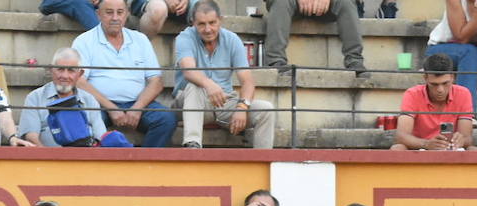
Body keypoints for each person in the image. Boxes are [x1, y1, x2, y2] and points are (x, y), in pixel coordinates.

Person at [72, 0, 177, 148]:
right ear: (98, 14)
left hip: (137, 103)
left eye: (120, 12)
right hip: (99, 105)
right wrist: (112, 108)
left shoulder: (140, 40)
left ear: (127, 14)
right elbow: (79, 81)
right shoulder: (84, 41)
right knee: (83, 120)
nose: (115, 17)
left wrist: (137, 108)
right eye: (109, 12)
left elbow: (156, 81)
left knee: (167, 119)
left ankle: (145, 165)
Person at [173, 0, 275, 149]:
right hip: (189, 102)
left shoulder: (232, 39)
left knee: (266, 109)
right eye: (201, 24)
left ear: (221, 20)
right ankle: (192, 146)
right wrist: (209, 84)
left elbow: (247, 81)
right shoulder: (185, 37)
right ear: (193, 23)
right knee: (194, 87)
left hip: (225, 102)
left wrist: (242, 107)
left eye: (212, 23)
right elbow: (189, 72)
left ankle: (263, 162)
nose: (208, 29)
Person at [18, 48, 109, 147]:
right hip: (47, 159)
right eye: (60, 69)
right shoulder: (35, 98)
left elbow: (101, 138)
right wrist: (52, 160)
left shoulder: (89, 100)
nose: (65, 76)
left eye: (71, 71)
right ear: (51, 70)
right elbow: (31, 138)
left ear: (80, 74)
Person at [425, 0, 477, 108]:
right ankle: (467, 114)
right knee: (469, 51)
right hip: (440, 48)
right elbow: (461, 37)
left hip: (471, 52)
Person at [390, 53, 476, 150]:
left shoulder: (463, 93)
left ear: (453, 77)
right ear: (425, 78)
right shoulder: (412, 94)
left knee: (474, 150)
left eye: (445, 83)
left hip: (451, 149)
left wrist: (461, 140)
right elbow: (401, 136)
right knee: (397, 148)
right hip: (419, 149)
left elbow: (468, 138)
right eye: (434, 84)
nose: (440, 89)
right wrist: (426, 144)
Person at [263, 0, 368, 79]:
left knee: (346, 3)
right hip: (290, 3)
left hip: (327, 6)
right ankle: (276, 62)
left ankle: (355, 61)